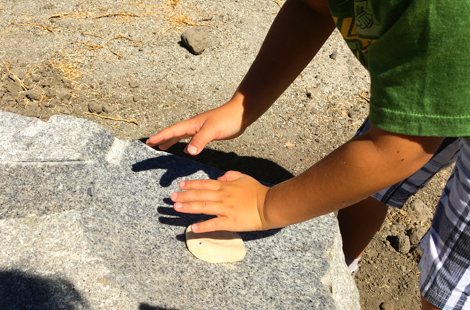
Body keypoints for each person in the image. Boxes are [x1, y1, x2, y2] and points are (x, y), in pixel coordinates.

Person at [146, 0, 470, 309]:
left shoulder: (442, 13)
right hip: (434, 75)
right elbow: (311, 8)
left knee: (449, 281)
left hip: (443, 62)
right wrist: (243, 106)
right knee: (364, 188)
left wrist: (265, 206)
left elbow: (394, 151)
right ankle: (340, 267)